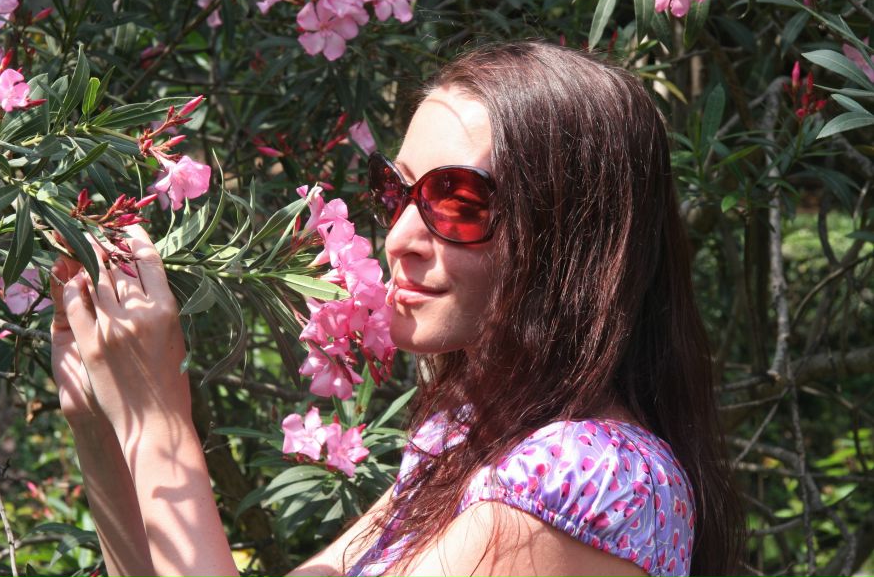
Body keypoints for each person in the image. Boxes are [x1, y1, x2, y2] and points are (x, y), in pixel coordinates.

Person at [49, 41, 745, 577]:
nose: (399, 238)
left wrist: (157, 417)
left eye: (457, 201)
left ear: (571, 238)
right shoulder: (464, 439)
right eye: (397, 191)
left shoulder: (591, 475)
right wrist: (102, 424)